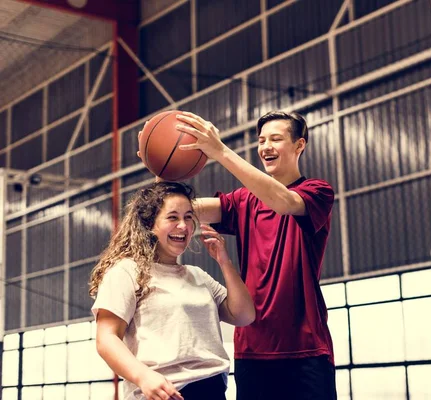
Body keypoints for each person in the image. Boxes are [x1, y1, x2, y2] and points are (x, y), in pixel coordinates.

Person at [169, 110, 337, 400]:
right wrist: (163, 171)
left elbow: (283, 201)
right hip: (252, 349)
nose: (265, 147)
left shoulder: (317, 192)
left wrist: (220, 151)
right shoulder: (243, 200)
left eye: (276, 139)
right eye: (261, 140)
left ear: (300, 145)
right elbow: (187, 209)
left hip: (306, 347)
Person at [89, 181, 255, 400]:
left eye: (188, 217)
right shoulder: (127, 271)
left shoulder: (197, 276)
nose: (183, 226)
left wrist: (224, 261)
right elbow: (107, 339)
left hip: (213, 389)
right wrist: (143, 377)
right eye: (172, 217)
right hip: (164, 391)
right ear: (150, 225)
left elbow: (244, 315)